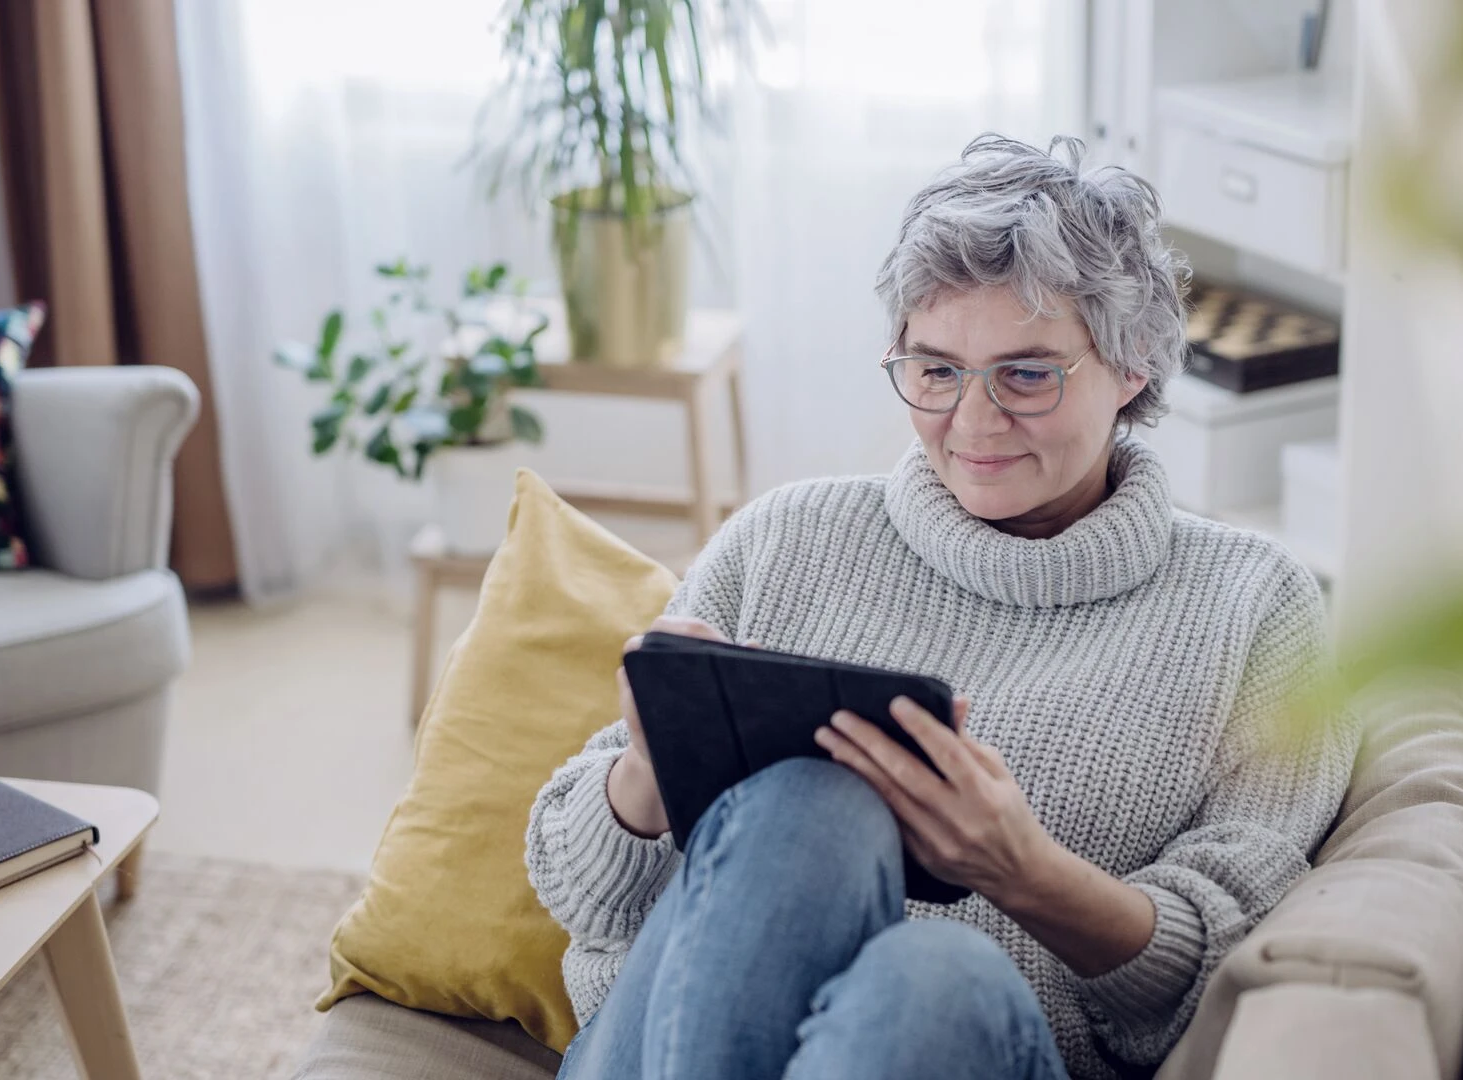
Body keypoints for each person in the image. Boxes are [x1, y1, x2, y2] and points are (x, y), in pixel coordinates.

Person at [525, 134, 1357, 1080]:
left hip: (960, 1045)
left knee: (936, 975)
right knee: (810, 805)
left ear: (1133, 366)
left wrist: (1023, 871)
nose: (973, 420)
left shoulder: (1254, 606)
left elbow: (1222, 971)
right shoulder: (785, 537)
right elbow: (578, 893)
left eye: (1027, 374)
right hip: (658, 1047)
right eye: (935, 370)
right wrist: (647, 768)